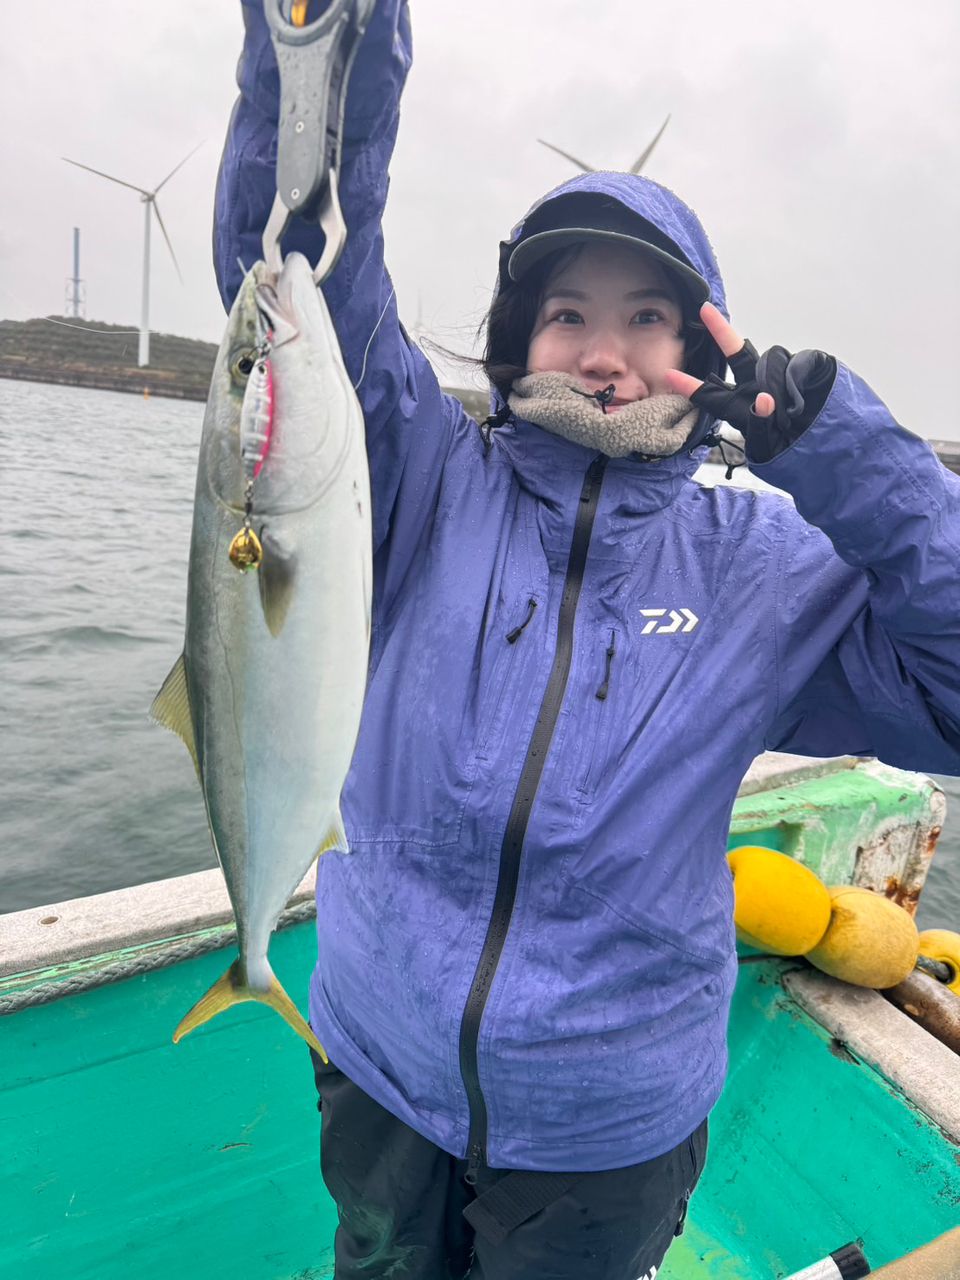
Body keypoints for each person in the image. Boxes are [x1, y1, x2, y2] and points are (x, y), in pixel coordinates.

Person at [214, 3, 960, 1277]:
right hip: (379, 1061)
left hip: (606, 1128)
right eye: (565, 313)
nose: (605, 352)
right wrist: (323, 42)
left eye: (649, 319)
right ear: (516, 341)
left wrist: (847, 451)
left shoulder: (763, 566)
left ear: (706, 346)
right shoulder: (423, 478)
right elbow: (298, 268)